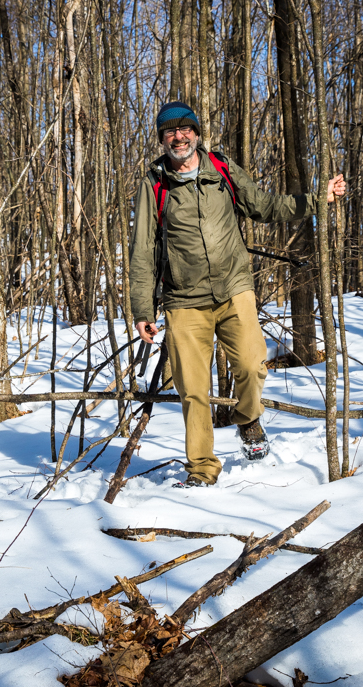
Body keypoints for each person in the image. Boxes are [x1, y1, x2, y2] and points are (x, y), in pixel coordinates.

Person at [129, 101, 346, 488]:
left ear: (196, 133)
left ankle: (248, 421)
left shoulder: (222, 171)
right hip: (183, 301)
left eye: (185, 130)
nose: (179, 138)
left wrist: (318, 199)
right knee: (193, 390)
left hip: (234, 289)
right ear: (162, 140)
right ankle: (201, 471)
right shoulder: (155, 185)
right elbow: (143, 250)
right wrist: (143, 309)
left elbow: (264, 206)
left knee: (252, 365)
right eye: (170, 133)